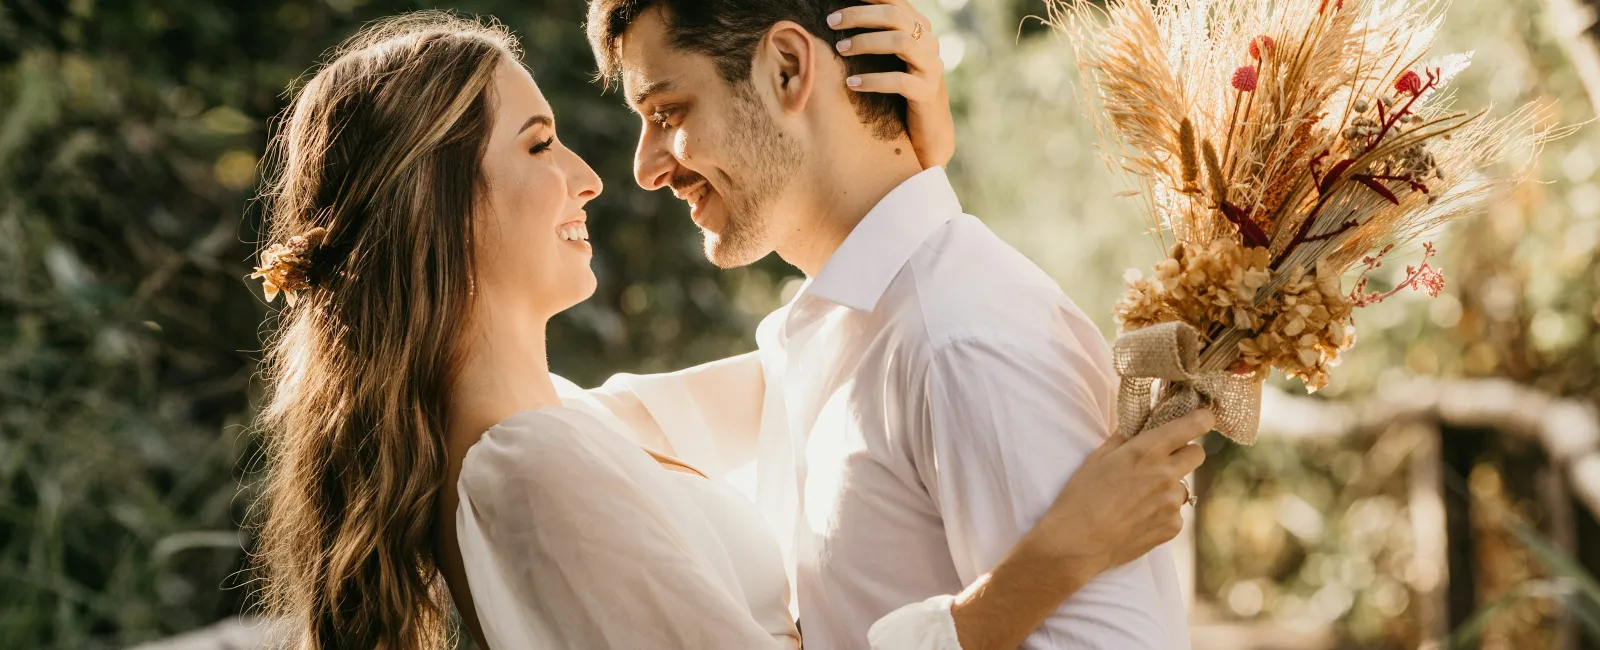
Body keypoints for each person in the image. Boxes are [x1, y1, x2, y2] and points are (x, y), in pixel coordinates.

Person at [248, 9, 1210, 650]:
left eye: (667, 110)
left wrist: (908, 186)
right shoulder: (529, 466)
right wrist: (1026, 583)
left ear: (790, 67)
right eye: (540, 143)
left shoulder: (562, 427)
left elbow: (801, 360)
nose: (609, 174)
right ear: (437, 205)